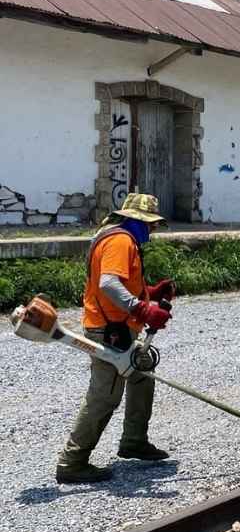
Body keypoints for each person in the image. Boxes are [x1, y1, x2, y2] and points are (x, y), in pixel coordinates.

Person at [56, 194, 176, 484]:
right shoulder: (121, 241)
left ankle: (134, 441)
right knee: (104, 395)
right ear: (134, 221)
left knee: (142, 371)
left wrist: (150, 292)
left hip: (117, 327)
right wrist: (141, 308)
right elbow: (107, 283)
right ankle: (72, 462)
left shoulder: (115, 238)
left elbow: (119, 282)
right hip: (110, 331)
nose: (152, 230)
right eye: (149, 225)